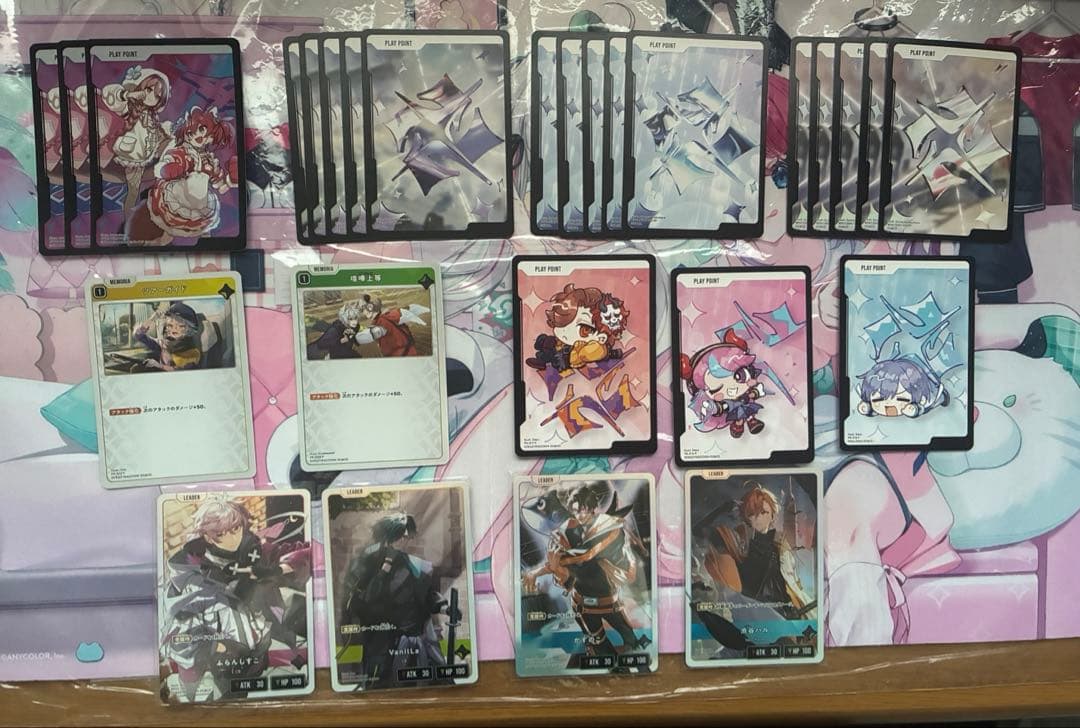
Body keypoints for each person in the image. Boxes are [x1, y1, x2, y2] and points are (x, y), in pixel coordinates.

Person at [162, 499, 309, 700]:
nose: (232, 538)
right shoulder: (190, 572)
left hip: (258, 642)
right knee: (226, 698)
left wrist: (277, 570)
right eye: (221, 534)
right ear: (207, 536)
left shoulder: (256, 551)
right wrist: (216, 646)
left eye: (236, 529)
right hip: (222, 654)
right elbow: (180, 624)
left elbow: (307, 553)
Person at [522, 483, 648, 662]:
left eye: (583, 510)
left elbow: (584, 555)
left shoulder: (609, 528)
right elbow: (567, 566)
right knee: (599, 647)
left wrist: (545, 567)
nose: (579, 516)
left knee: (632, 643)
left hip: (608, 600)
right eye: (575, 511)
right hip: (582, 604)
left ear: (593, 508)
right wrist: (547, 568)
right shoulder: (573, 532)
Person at [340, 514, 458, 688]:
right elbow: (366, 598)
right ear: (389, 536)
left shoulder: (412, 564)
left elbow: (425, 593)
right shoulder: (367, 563)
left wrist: (444, 608)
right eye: (400, 536)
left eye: (406, 536)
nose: (404, 540)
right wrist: (386, 565)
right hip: (382, 641)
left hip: (414, 638)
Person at [129, 105, 238, 245]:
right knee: (168, 225)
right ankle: (158, 241)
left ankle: (204, 245)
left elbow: (218, 181)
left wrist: (229, 180)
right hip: (176, 192)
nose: (202, 137)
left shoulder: (206, 157)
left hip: (198, 198)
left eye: (209, 136)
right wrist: (177, 167)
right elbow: (163, 169)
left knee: (202, 226)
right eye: (200, 130)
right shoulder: (181, 151)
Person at [702, 484, 813, 619]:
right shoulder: (739, 539)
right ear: (746, 516)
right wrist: (722, 509)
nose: (758, 518)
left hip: (783, 610)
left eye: (763, 512)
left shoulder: (780, 544)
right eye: (752, 514)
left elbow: (789, 582)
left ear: (772, 515)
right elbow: (699, 531)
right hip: (750, 610)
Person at [680, 328, 769, 438]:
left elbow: (752, 393)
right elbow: (721, 408)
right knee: (739, 418)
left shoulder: (745, 391)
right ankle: (738, 426)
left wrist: (755, 390)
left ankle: (752, 421)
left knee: (749, 413)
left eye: (740, 376)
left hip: (745, 403)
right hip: (732, 409)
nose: (733, 388)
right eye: (717, 388)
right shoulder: (726, 402)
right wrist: (713, 407)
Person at [527, 284, 628, 374]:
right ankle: (542, 347)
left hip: (565, 356)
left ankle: (542, 359)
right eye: (561, 324)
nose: (563, 332)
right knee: (547, 341)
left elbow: (582, 356)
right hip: (562, 346)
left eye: (585, 329)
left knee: (553, 355)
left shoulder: (595, 345)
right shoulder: (566, 338)